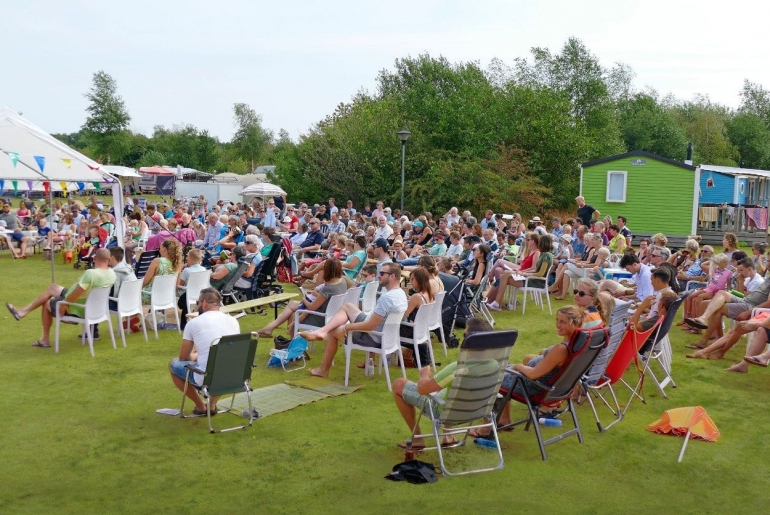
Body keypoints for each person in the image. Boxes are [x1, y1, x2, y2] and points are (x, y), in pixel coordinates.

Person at [472, 306, 584, 436]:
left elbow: (533, 374)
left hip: (530, 385)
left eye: (563, 322)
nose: (558, 325)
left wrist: (519, 366)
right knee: (499, 366)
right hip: (545, 385)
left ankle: (485, 429)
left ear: (575, 324)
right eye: (557, 320)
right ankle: (504, 420)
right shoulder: (577, 344)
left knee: (489, 374)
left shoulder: (562, 349)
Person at [392, 317, 494, 449]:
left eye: (464, 335)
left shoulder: (458, 368)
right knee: (453, 391)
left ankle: (417, 439)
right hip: (475, 411)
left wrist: (425, 375)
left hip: (445, 412)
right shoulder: (495, 366)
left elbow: (423, 389)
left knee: (399, 384)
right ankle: (448, 436)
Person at [302, 262, 408, 378]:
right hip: (387, 336)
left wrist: (346, 327)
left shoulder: (387, 298)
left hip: (373, 337)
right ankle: (322, 331)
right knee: (347, 306)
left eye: (382, 273)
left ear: (392, 276)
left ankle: (323, 370)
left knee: (333, 331)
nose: (378, 276)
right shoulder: (401, 294)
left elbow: (370, 326)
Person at [5, 248, 116, 348]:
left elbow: (77, 293)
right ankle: (23, 311)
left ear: (95, 258)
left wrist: (64, 304)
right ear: (109, 259)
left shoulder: (91, 273)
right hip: (96, 308)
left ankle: (44, 339)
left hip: (80, 308)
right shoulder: (112, 273)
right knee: (52, 288)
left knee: (47, 302)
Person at [169, 288, 241, 416]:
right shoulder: (233, 321)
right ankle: (212, 404)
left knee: (173, 365)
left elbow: (183, 357)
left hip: (206, 376)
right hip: (234, 375)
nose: (197, 305)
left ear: (205, 303)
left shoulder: (193, 323)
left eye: (198, 302)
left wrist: (196, 355)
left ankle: (200, 406)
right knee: (223, 364)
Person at [257, 258, 348, 337]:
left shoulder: (328, 288)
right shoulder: (342, 281)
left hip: (321, 318)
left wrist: (304, 298)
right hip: (331, 314)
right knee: (292, 304)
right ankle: (271, 330)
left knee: (293, 313)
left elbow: (312, 307)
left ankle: (289, 341)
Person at [399, 267, 437, 367]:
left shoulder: (417, 297)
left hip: (410, 332)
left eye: (412, 279)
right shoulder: (430, 294)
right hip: (421, 331)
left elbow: (403, 315)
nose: (411, 282)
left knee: (385, 327)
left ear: (419, 280)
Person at [142, 239, 183, 303]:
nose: (159, 250)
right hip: (167, 297)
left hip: (151, 297)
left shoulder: (157, 261)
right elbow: (176, 286)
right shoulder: (178, 264)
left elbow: (145, 282)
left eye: (160, 248)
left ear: (164, 249)